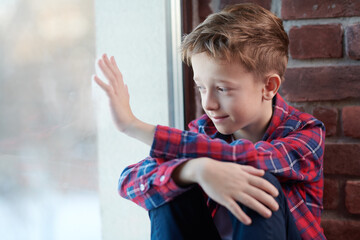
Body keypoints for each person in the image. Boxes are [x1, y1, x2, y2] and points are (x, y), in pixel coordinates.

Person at [93, 3, 326, 240]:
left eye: (222, 89)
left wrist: (135, 126)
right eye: (201, 88)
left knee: (255, 179)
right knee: (171, 186)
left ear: (268, 86)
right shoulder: (204, 132)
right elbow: (130, 181)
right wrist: (194, 169)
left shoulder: (307, 134)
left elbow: (250, 158)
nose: (209, 103)